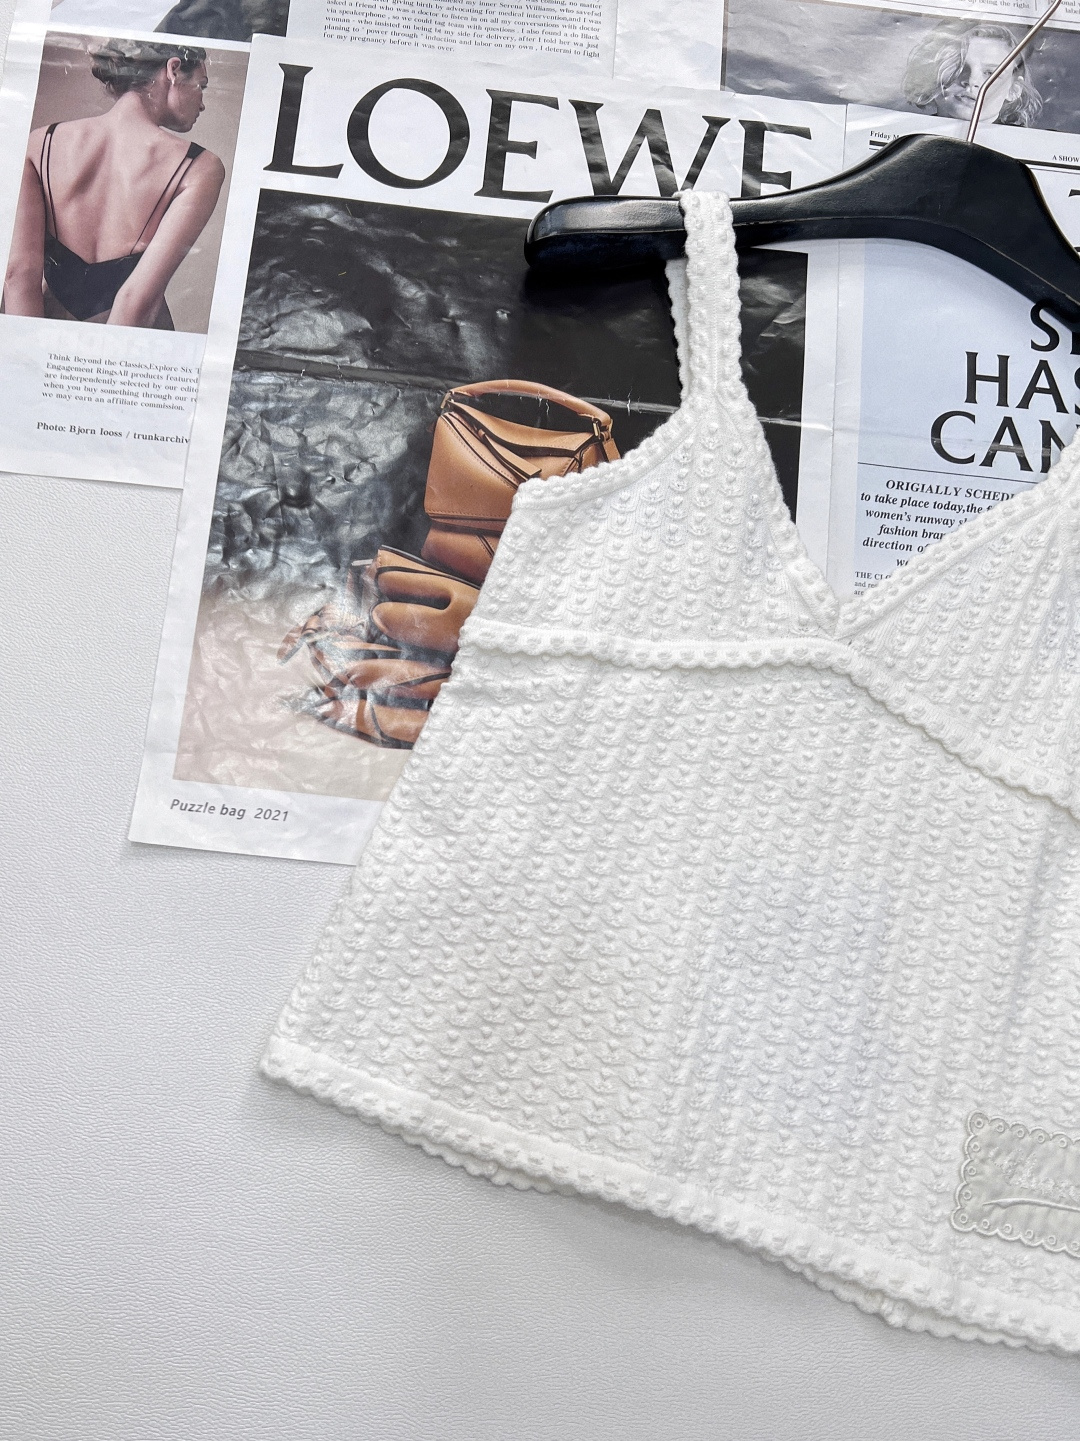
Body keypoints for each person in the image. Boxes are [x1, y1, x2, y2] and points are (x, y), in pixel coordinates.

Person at [3, 40, 226, 329]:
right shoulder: (201, 166)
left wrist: (29, 351)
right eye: (201, 86)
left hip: (49, 328)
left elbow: (18, 276)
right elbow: (137, 301)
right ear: (173, 69)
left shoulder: (41, 142)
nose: (203, 103)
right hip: (136, 344)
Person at [902, 20, 1043, 127]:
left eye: (990, 73)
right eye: (958, 67)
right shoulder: (909, 132)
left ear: (1014, 90)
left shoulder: (1026, 144)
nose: (971, 81)